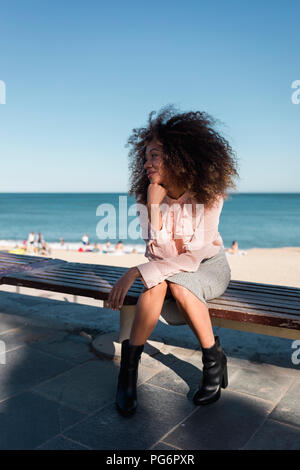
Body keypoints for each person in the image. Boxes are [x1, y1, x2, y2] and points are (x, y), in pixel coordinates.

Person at [106, 105, 239, 417]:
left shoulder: (209, 194)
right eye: (146, 156)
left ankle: (212, 361)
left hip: (208, 266)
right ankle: (128, 373)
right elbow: (158, 256)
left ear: (178, 156)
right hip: (172, 266)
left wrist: (136, 271)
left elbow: (192, 258)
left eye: (155, 155)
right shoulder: (148, 195)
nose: (146, 163)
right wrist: (154, 210)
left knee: (179, 286)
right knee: (154, 286)